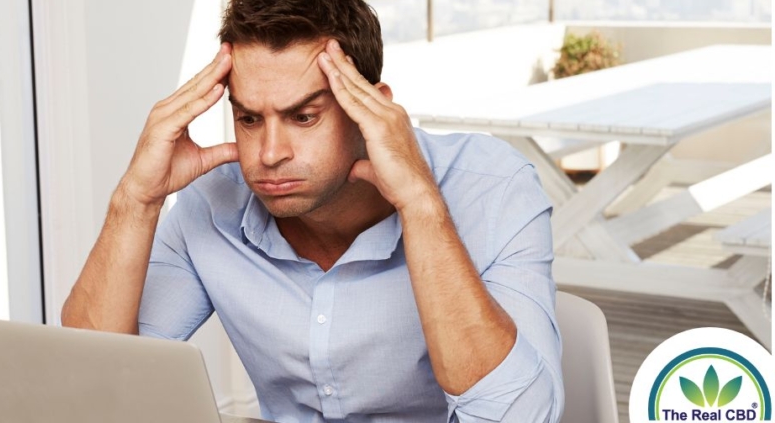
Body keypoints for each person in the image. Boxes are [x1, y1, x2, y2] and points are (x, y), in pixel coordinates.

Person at [60, 0, 564, 421]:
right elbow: (89, 386)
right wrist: (135, 200)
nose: (270, 152)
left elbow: (518, 416)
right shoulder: (211, 206)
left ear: (373, 108)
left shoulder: (493, 189)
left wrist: (419, 204)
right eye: (249, 118)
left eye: (304, 116)